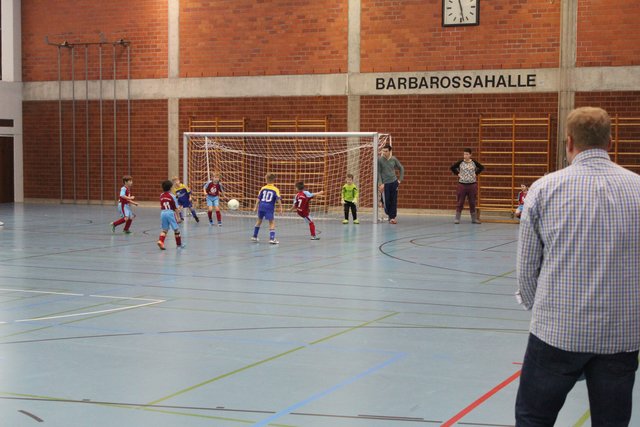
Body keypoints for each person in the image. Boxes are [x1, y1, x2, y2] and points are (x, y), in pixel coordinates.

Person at [515, 107, 640, 426]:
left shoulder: (544, 189)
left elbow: (527, 270)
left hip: (557, 332)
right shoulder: (638, 189)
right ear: (610, 142)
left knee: (533, 418)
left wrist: (543, 311)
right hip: (622, 333)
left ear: (569, 142)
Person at [450, 148, 484, 224]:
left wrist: (476, 173)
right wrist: (458, 174)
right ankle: (457, 218)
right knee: (460, 202)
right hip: (462, 185)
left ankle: (474, 219)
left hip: (472, 185)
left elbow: (481, 167)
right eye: (464, 154)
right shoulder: (461, 162)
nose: (465, 156)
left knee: (472, 202)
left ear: (470, 155)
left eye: (467, 154)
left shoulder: (474, 162)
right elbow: (452, 168)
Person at [252, 173, 283, 244]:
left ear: (266, 180)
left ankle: (254, 236)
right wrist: (281, 207)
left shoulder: (263, 188)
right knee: (271, 222)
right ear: (274, 180)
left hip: (261, 206)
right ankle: (272, 239)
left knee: (259, 220)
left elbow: (258, 198)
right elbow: (278, 199)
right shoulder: (275, 189)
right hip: (269, 207)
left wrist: (255, 207)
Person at [377, 144, 404, 224]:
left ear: (390, 151)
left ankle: (392, 217)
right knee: (386, 201)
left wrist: (399, 180)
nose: (384, 153)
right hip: (385, 184)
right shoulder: (380, 160)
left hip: (394, 182)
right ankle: (389, 214)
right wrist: (380, 183)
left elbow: (401, 168)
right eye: (383, 151)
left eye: (386, 151)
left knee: (394, 200)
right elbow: (379, 172)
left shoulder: (394, 159)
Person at [157, 180, 184, 250]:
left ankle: (160, 241)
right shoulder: (172, 196)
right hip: (170, 213)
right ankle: (179, 245)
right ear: (170, 188)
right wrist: (178, 217)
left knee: (165, 230)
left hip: (163, 213)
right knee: (176, 230)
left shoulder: (161, 195)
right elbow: (176, 209)